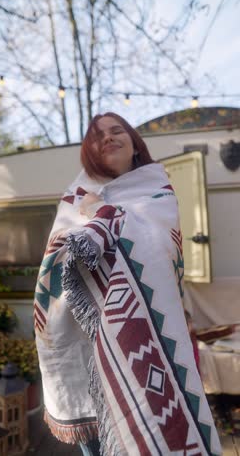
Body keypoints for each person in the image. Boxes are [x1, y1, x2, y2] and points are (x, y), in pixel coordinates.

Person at [34, 113, 221, 456]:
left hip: (146, 344)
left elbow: (158, 254)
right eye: (97, 136)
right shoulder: (75, 198)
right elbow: (54, 265)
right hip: (85, 350)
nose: (107, 138)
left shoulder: (157, 192)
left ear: (135, 143)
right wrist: (93, 217)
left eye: (117, 130)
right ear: (88, 151)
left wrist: (103, 214)